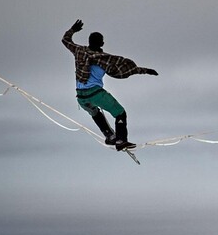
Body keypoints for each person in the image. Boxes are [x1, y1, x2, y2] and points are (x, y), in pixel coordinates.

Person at [62, 19, 158, 151]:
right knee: (120, 112)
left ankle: (109, 136)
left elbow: (66, 40)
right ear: (101, 43)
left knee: (95, 112)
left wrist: (73, 29)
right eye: (102, 41)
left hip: (81, 98)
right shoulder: (104, 59)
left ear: (89, 42)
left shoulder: (79, 51)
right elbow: (125, 70)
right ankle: (120, 140)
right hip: (96, 94)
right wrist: (145, 70)